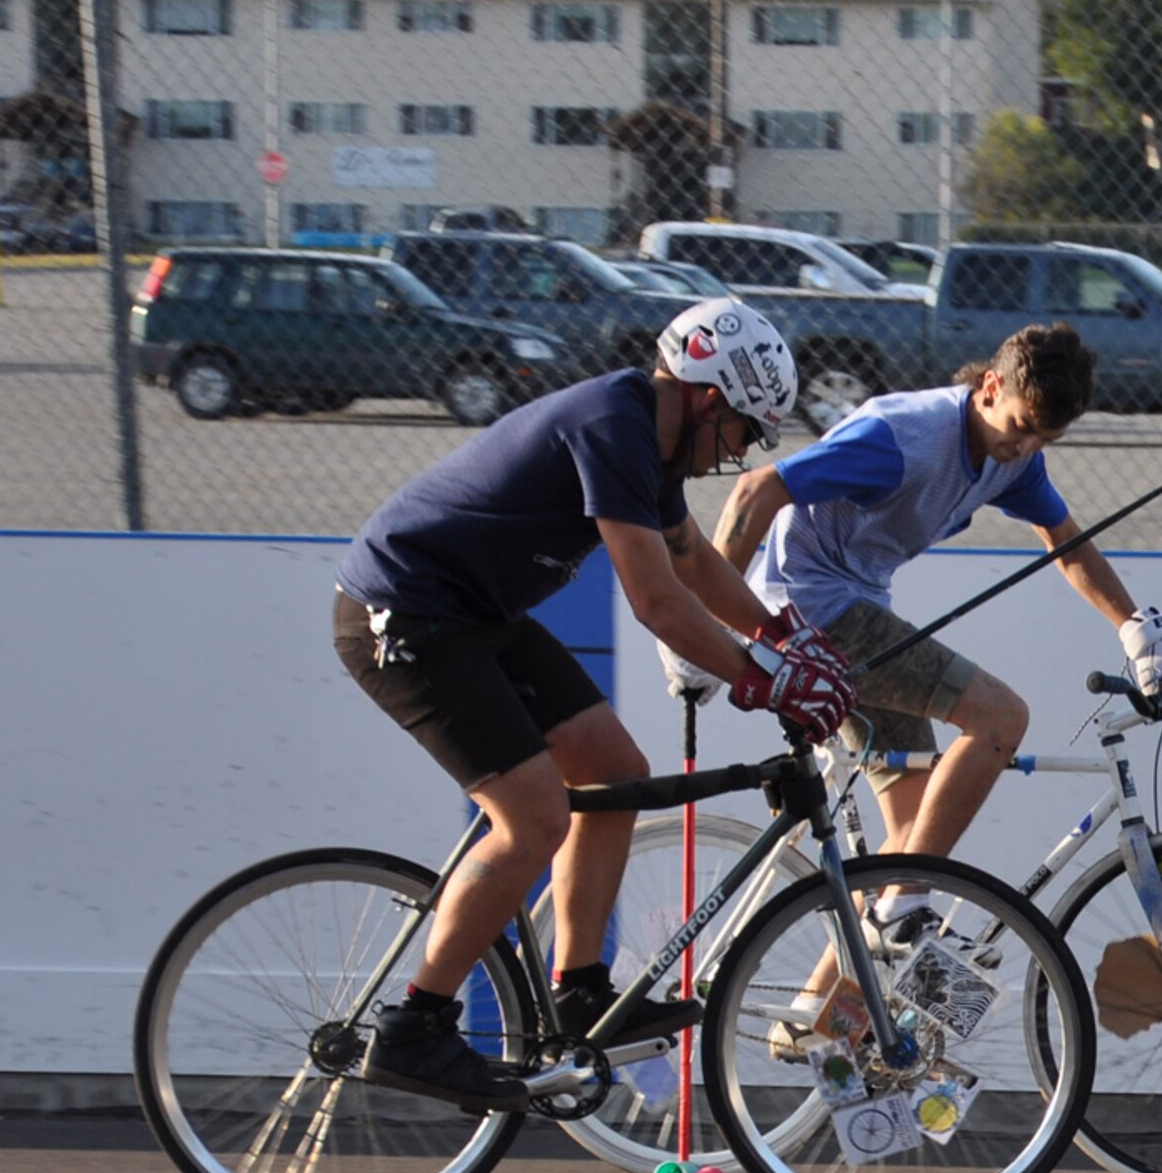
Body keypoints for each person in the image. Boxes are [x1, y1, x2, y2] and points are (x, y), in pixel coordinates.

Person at [333, 298, 856, 1112]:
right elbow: (655, 600)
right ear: (709, 400)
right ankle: (415, 1026)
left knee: (615, 770)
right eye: (746, 432)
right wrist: (765, 675)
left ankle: (579, 991)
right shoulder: (615, 426)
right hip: (403, 614)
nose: (738, 454)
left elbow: (691, 560)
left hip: (475, 616)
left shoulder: (651, 436)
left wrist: (781, 634)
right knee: (533, 819)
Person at [664, 321, 1162, 973]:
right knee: (1000, 718)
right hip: (810, 609)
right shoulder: (903, 439)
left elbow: (1065, 542)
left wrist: (1135, 626)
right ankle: (899, 914)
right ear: (991, 386)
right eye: (1022, 424)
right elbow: (757, 488)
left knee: (915, 838)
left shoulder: (1014, 459)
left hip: (857, 609)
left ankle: (824, 1019)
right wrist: (705, 623)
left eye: (1045, 438)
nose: (1026, 446)